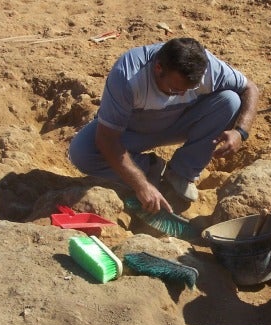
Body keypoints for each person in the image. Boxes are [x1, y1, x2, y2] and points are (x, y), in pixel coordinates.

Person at [68, 37, 259, 213]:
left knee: (230, 101)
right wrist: (141, 185)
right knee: (82, 152)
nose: (182, 94)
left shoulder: (209, 68)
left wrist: (240, 132)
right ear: (158, 68)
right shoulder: (127, 75)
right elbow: (107, 139)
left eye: (189, 89)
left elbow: (250, 88)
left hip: (179, 122)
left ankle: (182, 174)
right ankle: (150, 170)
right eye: (175, 89)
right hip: (133, 129)